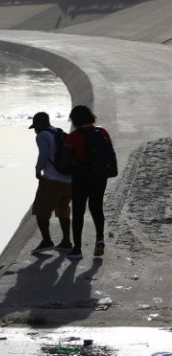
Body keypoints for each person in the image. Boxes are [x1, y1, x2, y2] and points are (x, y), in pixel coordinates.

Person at [60, 105, 117, 259]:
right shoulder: (102, 132)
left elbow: (64, 164)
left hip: (81, 178)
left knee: (78, 212)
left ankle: (77, 249)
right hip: (100, 176)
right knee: (97, 207)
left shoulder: (73, 137)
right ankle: (100, 239)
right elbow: (110, 152)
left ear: (75, 119)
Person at [28, 112, 72, 253]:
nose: (35, 129)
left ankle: (47, 241)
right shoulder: (58, 132)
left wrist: (37, 170)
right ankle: (66, 242)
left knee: (41, 211)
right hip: (69, 180)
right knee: (63, 210)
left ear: (39, 124)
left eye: (36, 126)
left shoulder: (42, 136)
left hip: (52, 180)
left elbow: (43, 154)